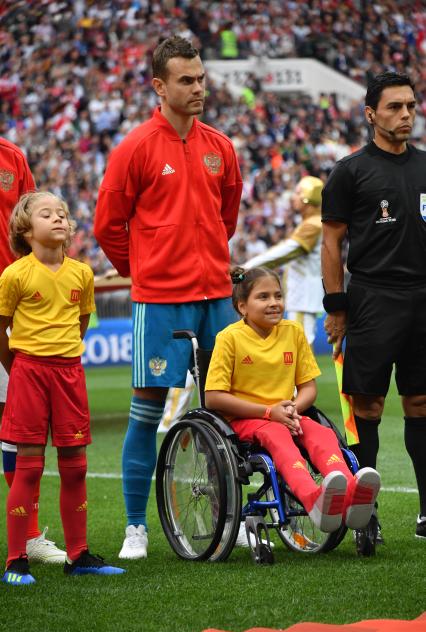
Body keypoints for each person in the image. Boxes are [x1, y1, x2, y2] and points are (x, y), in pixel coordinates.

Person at [94, 35, 242, 560]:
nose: (198, 87)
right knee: (145, 411)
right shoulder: (134, 147)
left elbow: (227, 218)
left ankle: (234, 518)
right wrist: (147, 273)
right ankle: (137, 526)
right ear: (159, 86)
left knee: (229, 410)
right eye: (186, 80)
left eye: (201, 78)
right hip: (160, 302)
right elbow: (107, 225)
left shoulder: (220, 147)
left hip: (219, 300)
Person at [321, 71, 426, 542]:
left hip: (423, 300)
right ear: (371, 115)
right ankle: (367, 513)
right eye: (394, 108)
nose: (405, 115)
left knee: (421, 403)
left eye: (410, 106)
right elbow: (331, 243)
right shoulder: (350, 171)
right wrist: (336, 307)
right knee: (368, 403)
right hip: (372, 298)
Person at [0, 191, 125, 585]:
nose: (58, 219)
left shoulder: (82, 273)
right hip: (29, 372)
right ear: (25, 228)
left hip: (69, 373)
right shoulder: (15, 274)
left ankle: (79, 555)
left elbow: (80, 324)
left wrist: (63, 358)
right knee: (29, 465)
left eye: (63, 214)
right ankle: (16, 560)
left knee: (76, 466)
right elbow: (1, 331)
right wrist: (18, 367)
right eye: (46, 214)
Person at [204, 266, 380, 535]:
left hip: (287, 415)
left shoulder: (293, 332)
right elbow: (213, 397)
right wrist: (268, 412)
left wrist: (292, 409)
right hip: (244, 421)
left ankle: (349, 495)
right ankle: (314, 500)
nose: (274, 303)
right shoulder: (228, 338)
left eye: (278, 296)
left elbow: (309, 388)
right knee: (277, 434)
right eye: (263, 297)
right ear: (242, 306)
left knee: (321, 433)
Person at [0, 137, 66, 564]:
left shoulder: (12, 156)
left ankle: (26, 537)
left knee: (14, 424)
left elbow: (33, 222)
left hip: (10, 303)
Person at [244, 176, 324, 345]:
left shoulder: (313, 225)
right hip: (303, 296)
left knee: (299, 350)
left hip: (304, 297)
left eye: (297, 193)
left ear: (307, 197)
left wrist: (247, 267)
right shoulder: (312, 223)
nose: (292, 197)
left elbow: (285, 252)